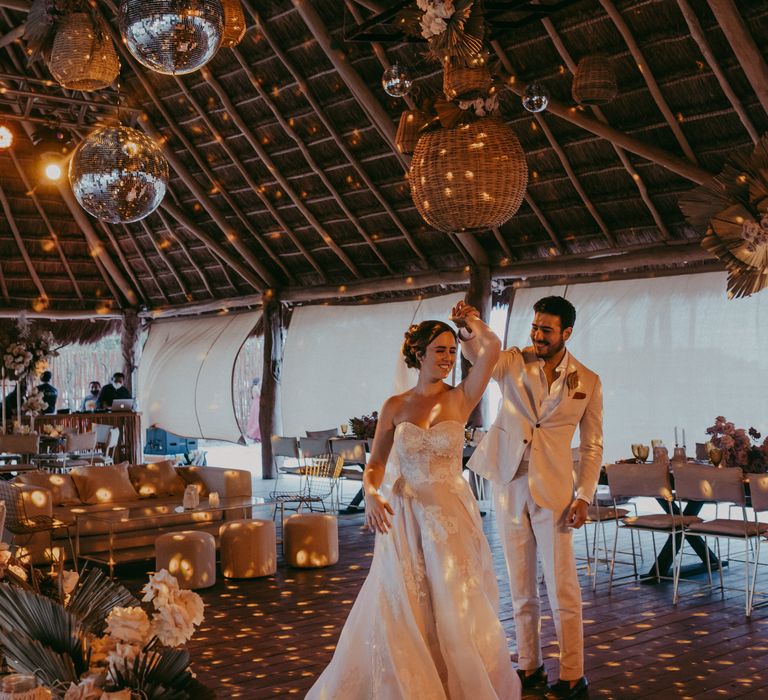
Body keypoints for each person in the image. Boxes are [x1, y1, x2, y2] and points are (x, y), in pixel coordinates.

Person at [306, 315, 520, 699]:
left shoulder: (462, 396)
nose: (448, 358)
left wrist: (470, 323)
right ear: (418, 355)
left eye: (453, 352)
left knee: (453, 602)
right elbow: (375, 465)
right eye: (440, 350)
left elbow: (492, 350)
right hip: (405, 517)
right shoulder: (394, 406)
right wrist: (372, 493)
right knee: (405, 602)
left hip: (452, 516)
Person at [457, 297, 602, 700]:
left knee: (563, 588)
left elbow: (592, 447)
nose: (537, 335)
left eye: (546, 329)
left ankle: (573, 676)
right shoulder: (511, 362)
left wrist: (585, 496)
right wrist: (468, 326)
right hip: (508, 484)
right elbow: (476, 353)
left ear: (566, 333)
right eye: (535, 327)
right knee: (520, 587)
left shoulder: (588, 381)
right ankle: (530, 667)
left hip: (555, 492)